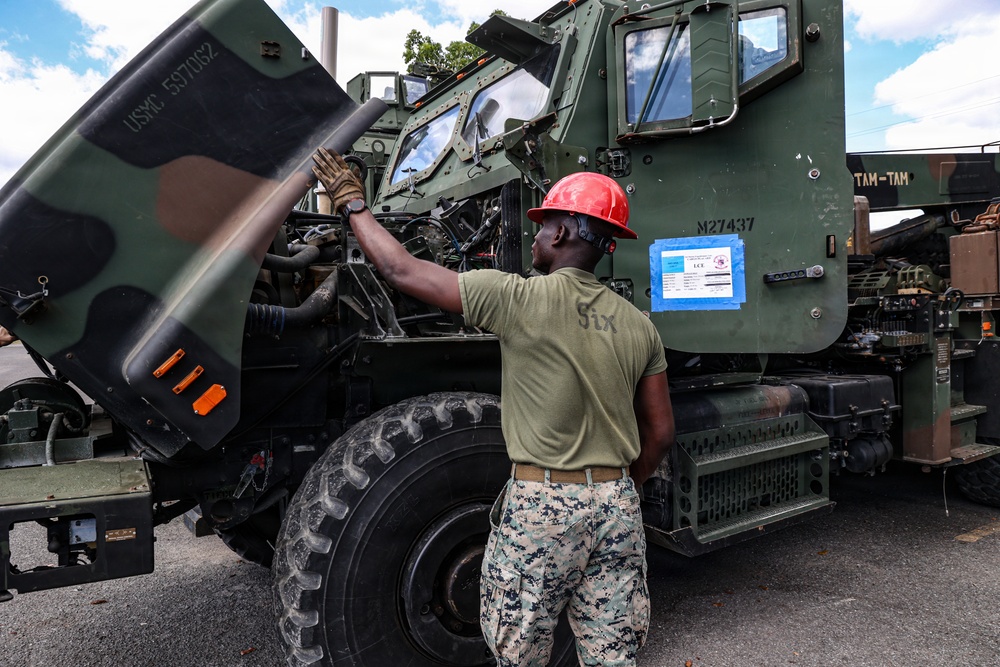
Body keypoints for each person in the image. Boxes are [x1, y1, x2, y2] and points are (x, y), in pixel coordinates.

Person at [312, 148, 674, 667]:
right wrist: (623, 486)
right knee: (612, 654)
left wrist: (352, 203)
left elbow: (400, 268)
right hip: (617, 505)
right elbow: (660, 433)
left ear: (566, 232)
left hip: (543, 505)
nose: (535, 235)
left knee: (520, 653)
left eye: (543, 224)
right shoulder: (640, 326)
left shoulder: (519, 299)